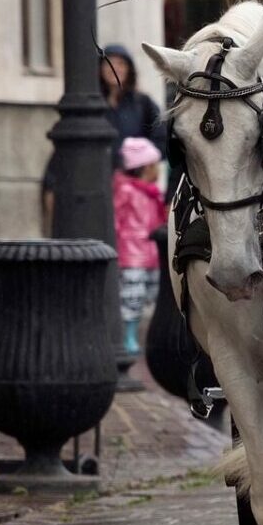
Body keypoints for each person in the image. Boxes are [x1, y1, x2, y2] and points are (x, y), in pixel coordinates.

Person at [41, 44, 166, 233]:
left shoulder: (142, 103)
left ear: (129, 69)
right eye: (109, 64)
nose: (115, 68)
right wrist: (51, 184)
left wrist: (141, 163)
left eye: (120, 64)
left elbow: (162, 138)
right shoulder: (91, 104)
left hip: (134, 192)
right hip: (98, 186)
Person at [113, 137, 168, 359]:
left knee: (151, 296)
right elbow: (116, 220)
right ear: (145, 167)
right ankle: (129, 336)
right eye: (155, 165)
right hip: (131, 255)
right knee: (131, 298)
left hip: (151, 254)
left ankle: (141, 336)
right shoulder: (125, 191)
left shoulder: (152, 192)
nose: (158, 169)